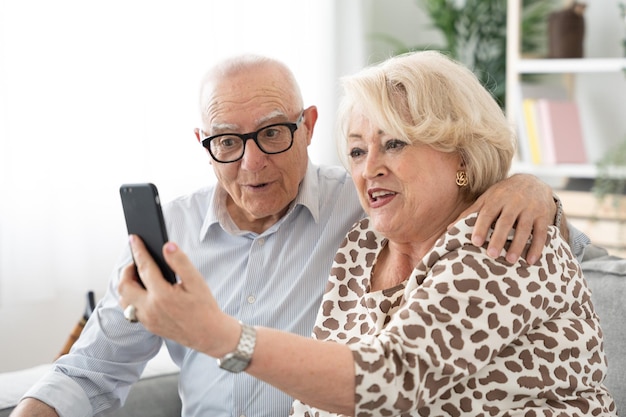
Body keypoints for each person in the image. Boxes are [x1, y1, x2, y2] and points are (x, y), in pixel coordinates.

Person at [12, 54, 586, 417]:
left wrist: (533, 190)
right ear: (204, 144)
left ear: (307, 127)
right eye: (228, 142)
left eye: (273, 134)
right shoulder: (364, 237)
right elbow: (93, 369)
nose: (252, 163)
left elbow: (392, 378)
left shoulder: (368, 212)